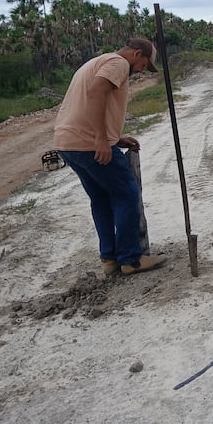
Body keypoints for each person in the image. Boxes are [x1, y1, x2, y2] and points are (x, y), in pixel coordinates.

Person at [53, 37, 167, 276]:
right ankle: (130, 259)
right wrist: (101, 139)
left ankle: (109, 259)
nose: (142, 70)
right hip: (87, 143)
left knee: (101, 198)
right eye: (145, 64)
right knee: (127, 192)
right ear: (137, 54)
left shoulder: (97, 61)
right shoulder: (118, 64)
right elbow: (96, 93)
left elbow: (91, 101)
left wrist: (114, 137)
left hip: (68, 143)